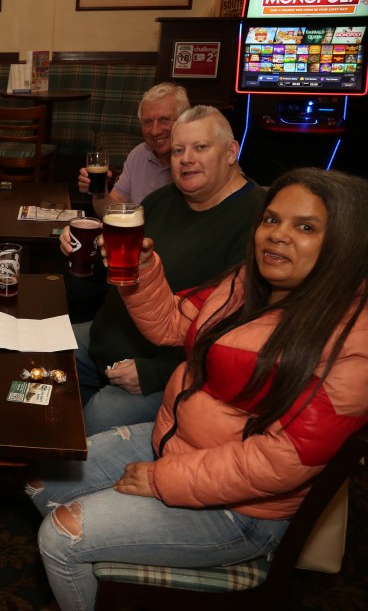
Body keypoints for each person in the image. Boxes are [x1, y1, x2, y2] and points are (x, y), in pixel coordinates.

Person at [31, 167, 368, 611]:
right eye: (271, 219)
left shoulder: (353, 343)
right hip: (175, 444)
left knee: (60, 537)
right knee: (42, 484)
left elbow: (278, 463)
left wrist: (161, 479)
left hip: (245, 511)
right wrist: (142, 270)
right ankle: (112, 582)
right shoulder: (246, 284)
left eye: (305, 226)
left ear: (346, 242)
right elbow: (172, 325)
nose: (277, 236)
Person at [63, 105, 267, 436]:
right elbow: (115, 275)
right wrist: (79, 251)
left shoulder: (259, 223)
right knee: (44, 350)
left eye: (200, 147)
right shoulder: (162, 200)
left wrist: (156, 373)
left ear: (231, 152)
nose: (186, 158)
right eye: (177, 150)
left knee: (99, 417)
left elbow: (240, 334)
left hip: (168, 368)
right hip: (105, 336)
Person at [78, 82, 189, 219]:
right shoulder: (139, 154)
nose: (155, 131)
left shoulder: (194, 163)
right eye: (148, 122)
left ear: (184, 121)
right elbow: (111, 212)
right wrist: (100, 190)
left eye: (164, 120)